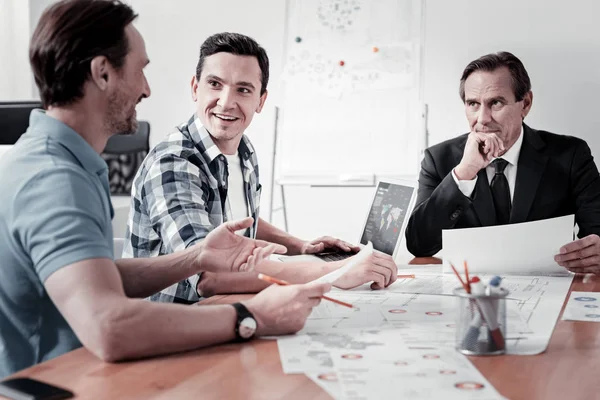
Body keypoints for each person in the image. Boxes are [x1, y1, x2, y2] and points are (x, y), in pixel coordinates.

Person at [0, 0, 331, 378]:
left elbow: (97, 277)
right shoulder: (54, 178)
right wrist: (250, 316)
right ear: (103, 73)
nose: (147, 89)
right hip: (55, 383)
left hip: (82, 372)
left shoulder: (62, 161)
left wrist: (197, 257)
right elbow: (110, 326)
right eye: (140, 70)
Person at [123, 32, 398, 303]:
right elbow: (207, 275)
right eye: (215, 84)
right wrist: (333, 271)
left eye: (243, 89)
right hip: (174, 325)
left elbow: (234, 220)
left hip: (227, 310)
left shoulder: (243, 149)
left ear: (261, 101)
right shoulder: (175, 164)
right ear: (195, 88)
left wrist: (300, 246)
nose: (226, 102)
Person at [405, 51, 600, 274]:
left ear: (525, 104)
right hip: (470, 292)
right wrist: (465, 173)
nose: (482, 119)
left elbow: (596, 231)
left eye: (495, 103)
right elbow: (419, 245)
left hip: (548, 291)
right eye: (473, 104)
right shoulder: (439, 159)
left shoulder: (570, 155)